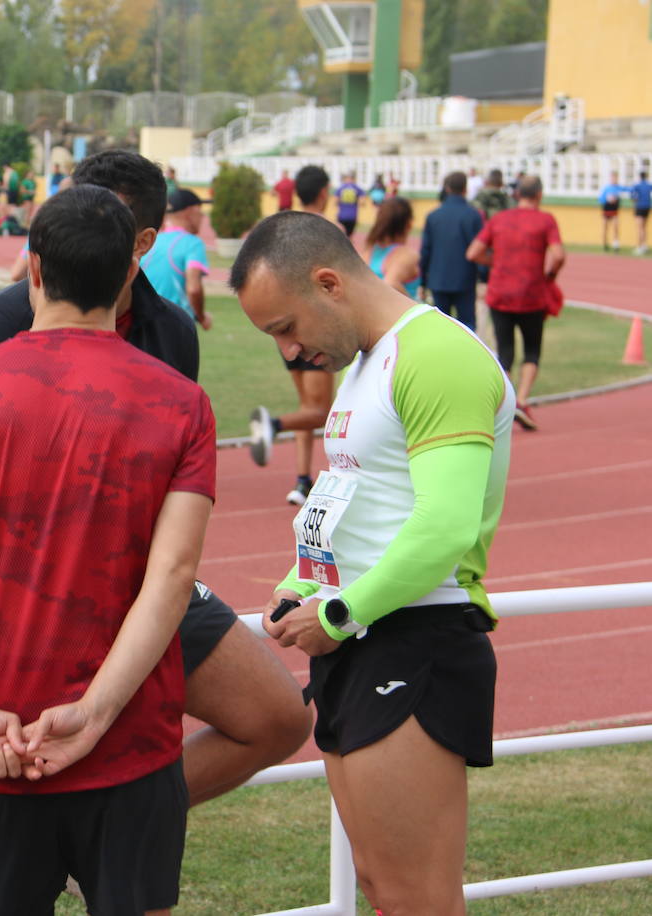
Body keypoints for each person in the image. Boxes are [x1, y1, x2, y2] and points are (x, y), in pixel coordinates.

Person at [0, 148, 310, 817]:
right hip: (33, 596)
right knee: (26, 777)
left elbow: (173, 486)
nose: (82, 230)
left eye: (106, 220)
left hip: (146, 587)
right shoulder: (5, 325)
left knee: (279, 717)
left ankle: (128, 816)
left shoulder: (170, 332)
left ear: (144, 242)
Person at [0, 184, 216, 915]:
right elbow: (171, 576)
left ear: (34, 270)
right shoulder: (182, 403)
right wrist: (99, 712)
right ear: (129, 274)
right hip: (130, 745)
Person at [229, 209, 514, 916]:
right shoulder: (365, 364)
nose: (290, 353)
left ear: (329, 282)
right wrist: (304, 584)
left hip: (413, 639)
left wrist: (342, 610)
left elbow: (444, 524)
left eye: (286, 328)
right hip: (359, 634)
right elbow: (353, 499)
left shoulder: (437, 355)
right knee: (382, 889)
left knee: (417, 897)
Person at [248, 164, 335, 507]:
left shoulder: (282, 229)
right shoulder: (327, 230)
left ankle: (302, 480)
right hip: (317, 328)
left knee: (308, 406)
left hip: (285, 330)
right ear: (325, 193)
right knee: (322, 412)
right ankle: (272, 424)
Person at [466, 175, 565, 432]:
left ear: (517, 194)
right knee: (532, 349)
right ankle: (521, 400)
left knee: (505, 352)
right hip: (532, 293)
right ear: (539, 195)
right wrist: (550, 276)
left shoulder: (500, 219)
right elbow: (558, 255)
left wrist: (496, 263)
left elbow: (473, 252)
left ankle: (506, 404)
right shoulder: (546, 220)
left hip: (501, 292)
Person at [419, 171, 483, 328]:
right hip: (465, 278)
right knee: (467, 325)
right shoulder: (473, 215)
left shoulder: (433, 216)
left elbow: (426, 250)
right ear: (465, 189)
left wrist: (423, 281)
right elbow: (479, 248)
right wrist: (484, 277)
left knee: (441, 325)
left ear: (446, 189)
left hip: (438, 278)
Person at [139, 188, 210, 328]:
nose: (202, 217)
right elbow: (193, 289)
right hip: (177, 326)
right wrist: (201, 317)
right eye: (200, 212)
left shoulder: (148, 242)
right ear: (190, 212)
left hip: (144, 325)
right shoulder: (192, 243)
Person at [363, 196, 420, 299]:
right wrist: (416, 307)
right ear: (409, 224)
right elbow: (390, 283)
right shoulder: (407, 255)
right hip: (398, 313)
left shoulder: (368, 251)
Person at [599, 171, 624, 251]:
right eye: (612, 177)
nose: (614, 179)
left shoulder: (618, 188)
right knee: (605, 227)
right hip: (606, 210)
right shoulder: (606, 188)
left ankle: (615, 244)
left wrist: (616, 199)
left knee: (615, 227)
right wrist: (607, 199)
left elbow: (627, 191)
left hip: (614, 211)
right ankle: (604, 243)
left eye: (615, 178)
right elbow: (600, 199)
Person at [334, 171, 364, 238]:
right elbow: (362, 202)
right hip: (352, 216)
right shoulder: (357, 188)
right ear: (353, 179)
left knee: (341, 237)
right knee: (349, 238)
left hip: (342, 215)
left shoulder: (341, 188)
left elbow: (335, 201)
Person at [630, 170, 652, 255]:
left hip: (639, 207)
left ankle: (640, 246)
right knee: (644, 227)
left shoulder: (637, 185)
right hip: (647, 207)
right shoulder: (649, 185)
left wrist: (635, 199)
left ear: (640, 177)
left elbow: (632, 195)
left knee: (640, 227)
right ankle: (644, 245)